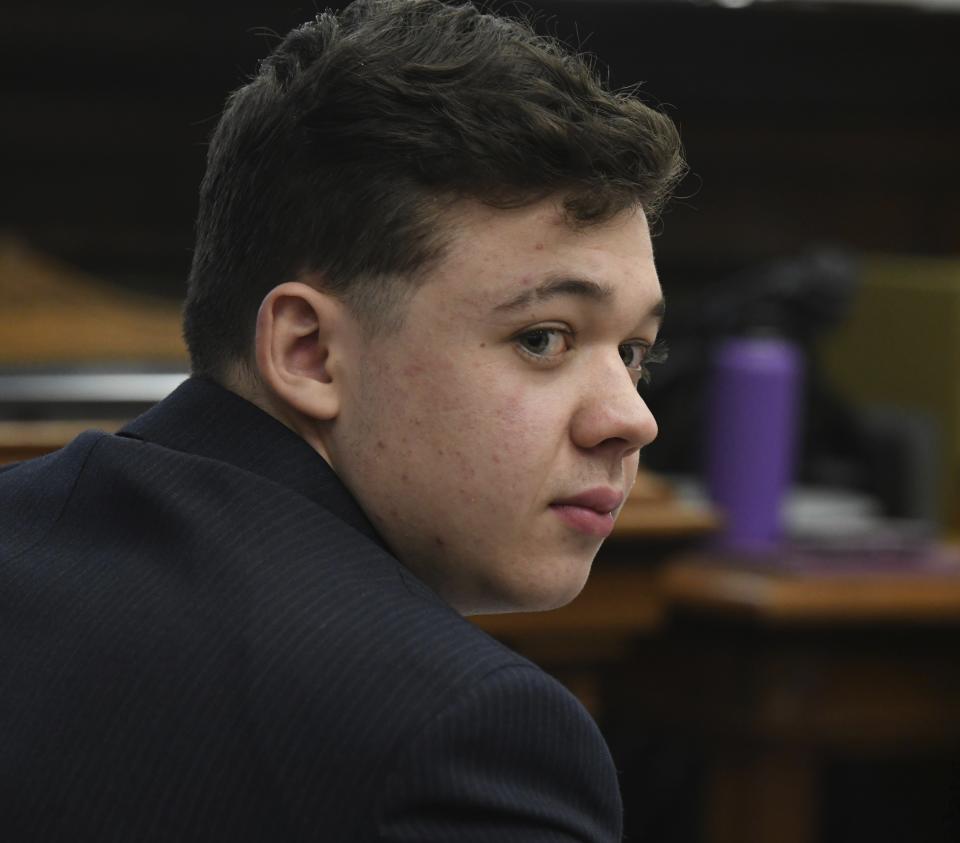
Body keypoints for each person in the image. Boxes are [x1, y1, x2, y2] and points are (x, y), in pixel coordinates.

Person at [0, 0, 684, 839]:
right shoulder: (466, 737)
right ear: (310, 351)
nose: (630, 417)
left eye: (635, 352)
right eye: (543, 338)